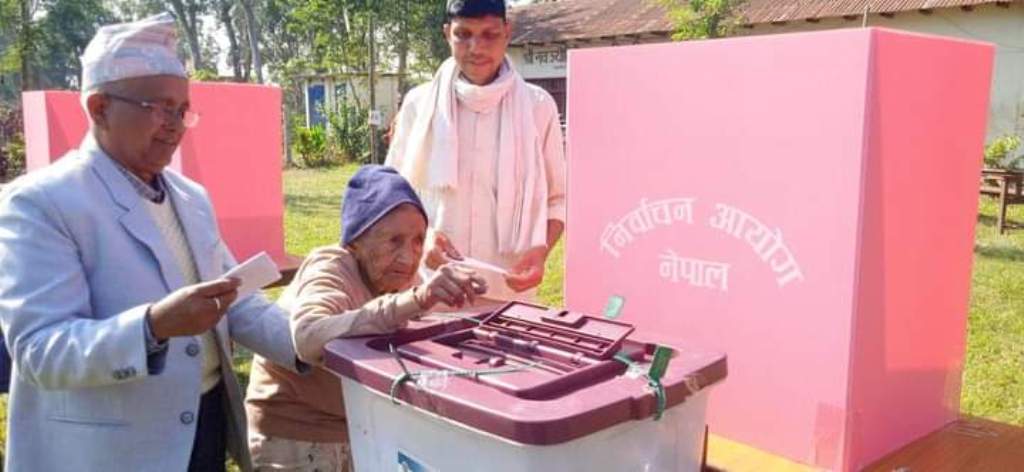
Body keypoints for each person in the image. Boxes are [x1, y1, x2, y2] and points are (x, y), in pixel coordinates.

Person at [0, 13, 302, 472]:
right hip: (112, 451)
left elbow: (235, 298)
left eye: (183, 110)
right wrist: (152, 326)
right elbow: (41, 349)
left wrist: (315, 341)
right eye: (160, 108)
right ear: (99, 108)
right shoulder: (42, 202)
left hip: (201, 428)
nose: (176, 125)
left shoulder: (189, 197)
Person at [245, 165, 486, 471]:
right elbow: (307, 338)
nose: (409, 257)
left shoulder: (394, 276)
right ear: (355, 240)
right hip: (297, 436)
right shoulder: (330, 267)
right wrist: (419, 298)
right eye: (394, 240)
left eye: (417, 240)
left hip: (359, 424)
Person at [385, 0, 566, 303]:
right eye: (463, 34)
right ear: (447, 34)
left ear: (507, 32)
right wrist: (422, 240)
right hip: (431, 288)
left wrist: (540, 251)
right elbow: (394, 194)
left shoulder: (538, 106)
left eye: (489, 34)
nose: (476, 48)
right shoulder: (419, 104)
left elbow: (558, 200)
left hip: (508, 292)